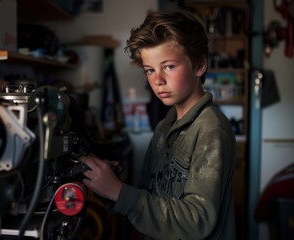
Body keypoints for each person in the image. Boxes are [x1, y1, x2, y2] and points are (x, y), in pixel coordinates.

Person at [79, 8, 236, 240]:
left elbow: (198, 220)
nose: (158, 80)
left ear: (200, 65)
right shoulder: (165, 126)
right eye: (150, 70)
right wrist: (110, 186)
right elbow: (149, 198)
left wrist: (120, 192)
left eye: (169, 66)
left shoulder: (211, 130)